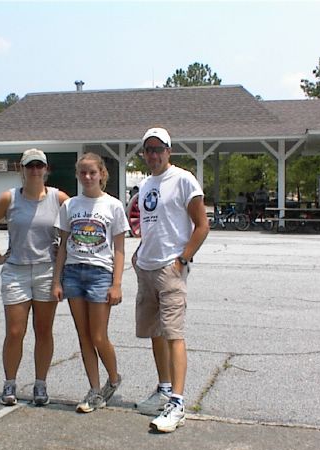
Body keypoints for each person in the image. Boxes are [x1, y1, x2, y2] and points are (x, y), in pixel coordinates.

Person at [0, 148, 69, 407]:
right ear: (22, 169)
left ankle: (41, 384)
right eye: (30, 166)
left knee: (43, 330)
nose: (35, 171)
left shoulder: (58, 198)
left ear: (46, 169)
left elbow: (77, 226)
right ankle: (10, 382)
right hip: (16, 270)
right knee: (15, 331)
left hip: (46, 271)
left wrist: (64, 261)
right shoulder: (10, 198)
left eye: (40, 166)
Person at [133, 127, 209, 433]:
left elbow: (201, 225)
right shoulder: (145, 184)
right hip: (146, 267)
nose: (153, 154)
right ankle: (164, 388)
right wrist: (139, 255)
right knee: (155, 332)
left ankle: (177, 403)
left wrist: (183, 258)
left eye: (158, 149)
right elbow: (147, 224)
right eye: (148, 150)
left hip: (170, 268)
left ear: (169, 150)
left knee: (174, 334)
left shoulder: (183, 179)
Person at [52, 153, 129, 413]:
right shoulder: (70, 206)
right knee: (83, 336)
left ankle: (114, 378)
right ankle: (94, 390)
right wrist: (57, 280)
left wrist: (116, 283)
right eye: (83, 173)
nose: (87, 177)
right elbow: (62, 245)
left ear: (101, 174)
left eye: (92, 172)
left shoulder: (113, 206)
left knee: (98, 335)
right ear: (78, 175)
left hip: (100, 274)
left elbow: (119, 248)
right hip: (73, 273)